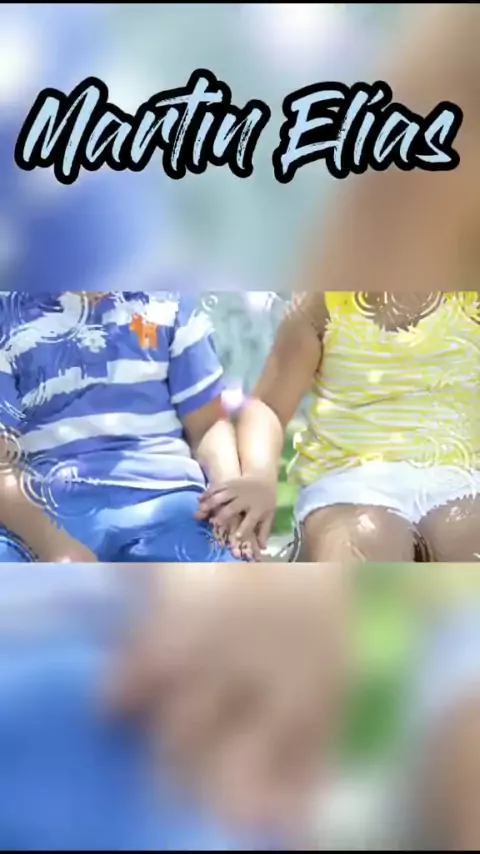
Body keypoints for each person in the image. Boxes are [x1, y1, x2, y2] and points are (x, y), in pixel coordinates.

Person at [197, 4, 480, 562]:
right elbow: (268, 406)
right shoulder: (328, 298)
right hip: (352, 482)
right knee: (368, 542)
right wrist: (258, 476)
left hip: (460, 478)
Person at [0, 290, 255, 563]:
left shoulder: (169, 303)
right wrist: (52, 545)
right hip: (45, 517)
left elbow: (207, 424)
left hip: (169, 504)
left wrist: (229, 500)